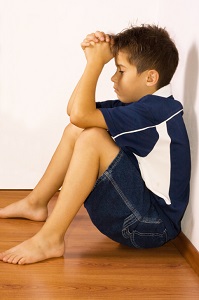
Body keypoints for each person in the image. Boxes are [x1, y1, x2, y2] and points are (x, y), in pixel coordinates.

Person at [0, 24, 191, 265]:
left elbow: (80, 113)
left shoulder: (156, 111)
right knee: (77, 130)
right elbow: (75, 113)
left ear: (151, 77)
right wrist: (91, 61)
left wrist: (95, 64)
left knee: (92, 138)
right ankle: (36, 203)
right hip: (140, 212)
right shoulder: (141, 105)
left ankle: (50, 238)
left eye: (120, 70)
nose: (113, 77)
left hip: (151, 227)